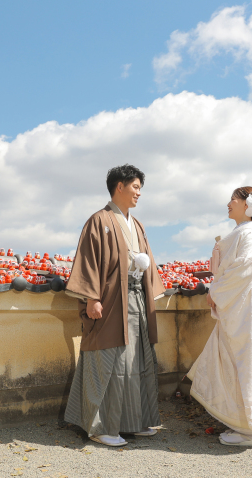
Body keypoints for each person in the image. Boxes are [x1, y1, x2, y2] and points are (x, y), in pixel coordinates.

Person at [63, 164, 166, 447]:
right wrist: (91, 298)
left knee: (136, 360)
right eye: (135, 187)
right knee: (109, 360)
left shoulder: (137, 224)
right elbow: (89, 259)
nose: (138, 194)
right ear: (119, 186)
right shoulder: (99, 220)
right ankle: (101, 426)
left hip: (136, 299)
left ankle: (135, 421)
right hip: (110, 301)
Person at [187, 186, 252, 446]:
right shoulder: (246, 235)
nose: (228, 203)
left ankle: (249, 430)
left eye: (233, 199)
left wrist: (215, 291)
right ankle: (251, 424)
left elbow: (242, 270)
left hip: (246, 313)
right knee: (245, 366)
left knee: (246, 366)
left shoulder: (251, 237)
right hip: (243, 310)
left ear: (247, 205)